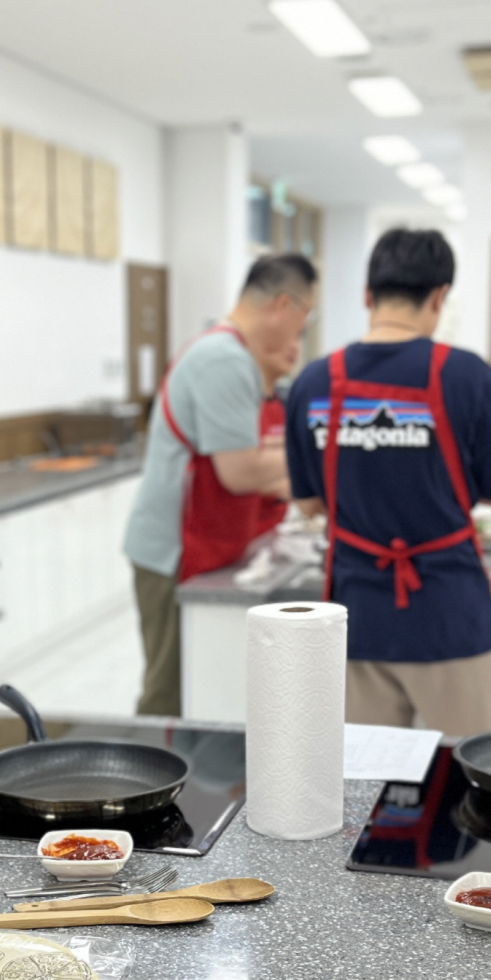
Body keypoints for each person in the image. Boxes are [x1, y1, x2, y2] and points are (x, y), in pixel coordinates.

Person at [285, 228, 491, 734]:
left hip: (356, 619)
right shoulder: (468, 376)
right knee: (467, 784)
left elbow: (308, 504)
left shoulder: (311, 383)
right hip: (449, 619)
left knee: (363, 790)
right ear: (439, 297)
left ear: (368, 296)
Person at [122, 254, 314, 715]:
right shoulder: (223, 359)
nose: (300, 335)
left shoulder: (228, 353)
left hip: (200, 543)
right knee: (169, 689)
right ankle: (149, 782)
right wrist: (311, 470)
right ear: (284, 305)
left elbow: (255, 456)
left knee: (200, 678)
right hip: (174, 551)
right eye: (305, 319)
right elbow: (240, 471)